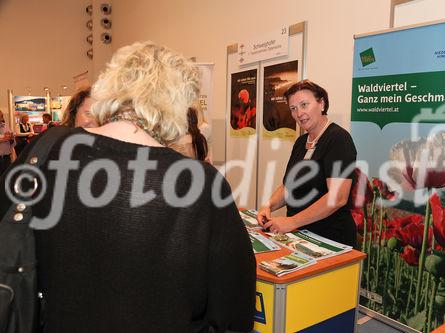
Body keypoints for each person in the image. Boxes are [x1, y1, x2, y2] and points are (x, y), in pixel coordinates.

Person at [1, 41, 256, 332]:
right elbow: (233, 310)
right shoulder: (201, 183)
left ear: (110, 87)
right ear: (176, 103)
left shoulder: (47, 148)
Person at [257, 79, 358, 248]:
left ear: (322, 103)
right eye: (293, 108)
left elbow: (337, 197)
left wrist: (291, 222)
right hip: (299, 236)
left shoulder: (339, 139)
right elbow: (288, 187)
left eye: (304, 105)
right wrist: (268, 206)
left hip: (330, 240)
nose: (299, 113)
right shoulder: (300, 142)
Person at [0, 110, 15, 175]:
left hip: (6, 158)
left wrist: (11, 138)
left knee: (6, 177)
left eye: (1, 116)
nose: (1, 118)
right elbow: (4, 139)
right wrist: (3, 139)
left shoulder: (5, 126)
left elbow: (12, 143)